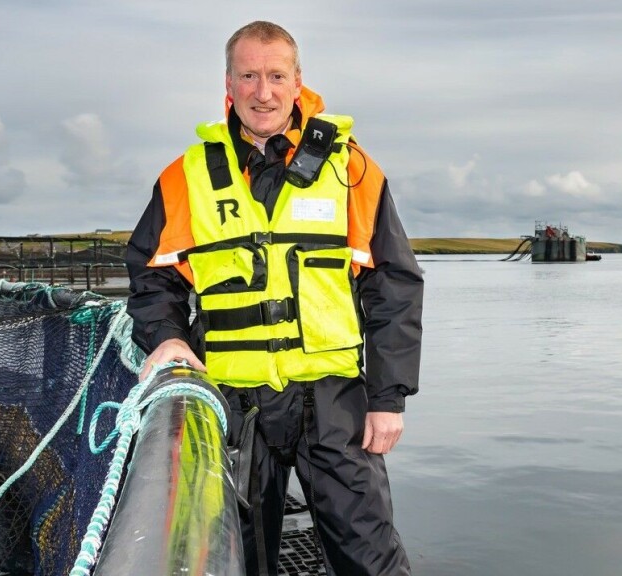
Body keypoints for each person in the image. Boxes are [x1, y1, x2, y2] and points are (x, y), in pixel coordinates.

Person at [125, 20, 423, 576]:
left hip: (335, 403)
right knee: (234, 556)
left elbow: (393, 285)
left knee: (371, 556)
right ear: (229, 84)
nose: (263, 92)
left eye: (276, 76)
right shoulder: (185, 177)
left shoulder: (351, 170)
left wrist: (389, 397)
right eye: (249, 76)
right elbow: (152, 273)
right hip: (235, 407)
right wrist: (166, 336)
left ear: (297, 80)